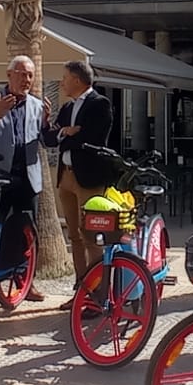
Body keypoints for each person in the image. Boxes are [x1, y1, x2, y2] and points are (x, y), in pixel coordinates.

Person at [0, 55, 51, 301]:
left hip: (27, 180)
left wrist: (47, 124)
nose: (26, 79)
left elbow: (45, 143)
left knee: (26, 232)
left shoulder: (36, 106)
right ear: (9, 75)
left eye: (30, 75)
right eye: (21, 73)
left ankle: (25, 282)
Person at [40, 60, 114, 290]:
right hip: (67, 178)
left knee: (91, 236)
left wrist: (66, 137)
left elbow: (91, 139)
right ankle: (81, 288)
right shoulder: (67, 108)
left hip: (89, 178)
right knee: (74, 236)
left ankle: (98, 290)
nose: (61, 83)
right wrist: (61, 130)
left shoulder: (100, 104)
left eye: (64, 78)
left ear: (77, 80)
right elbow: (49, 140)